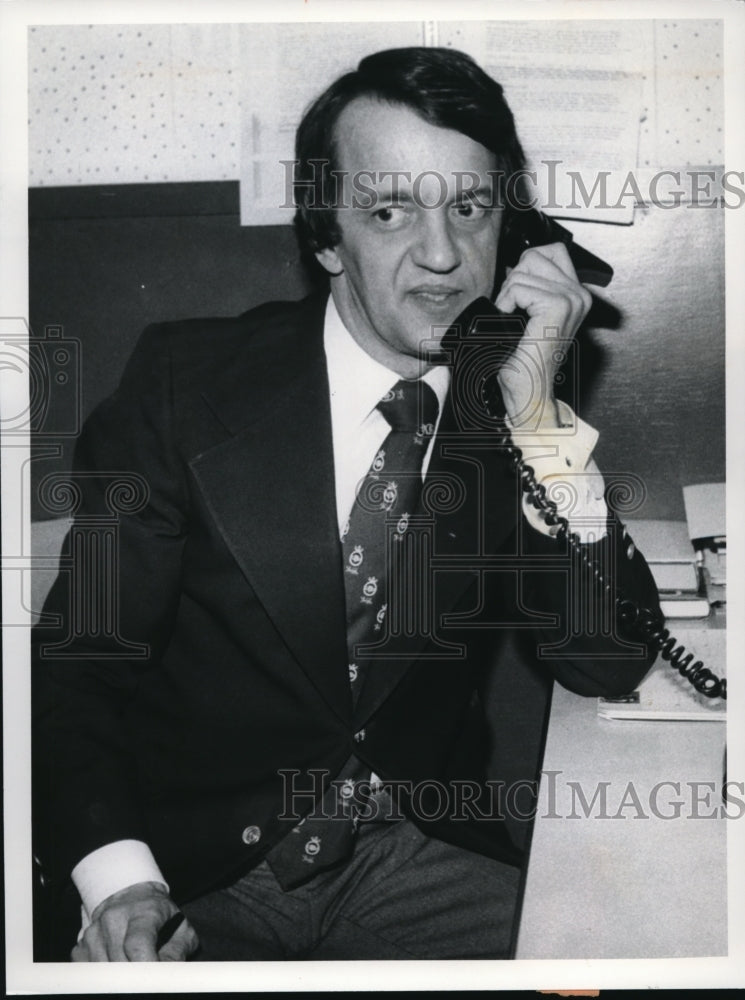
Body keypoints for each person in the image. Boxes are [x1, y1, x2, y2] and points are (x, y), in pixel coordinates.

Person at [32, 46, 660, 962]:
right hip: (192, 873)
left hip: (413, 852)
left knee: (625, 960)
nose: (441, 255)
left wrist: (538, 419)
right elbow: (80, 665)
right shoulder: (185, 384)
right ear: (326, 236)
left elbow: (606, 663)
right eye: (389, 210)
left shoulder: (510, 415)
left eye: (470, 209)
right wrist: (119, 880)